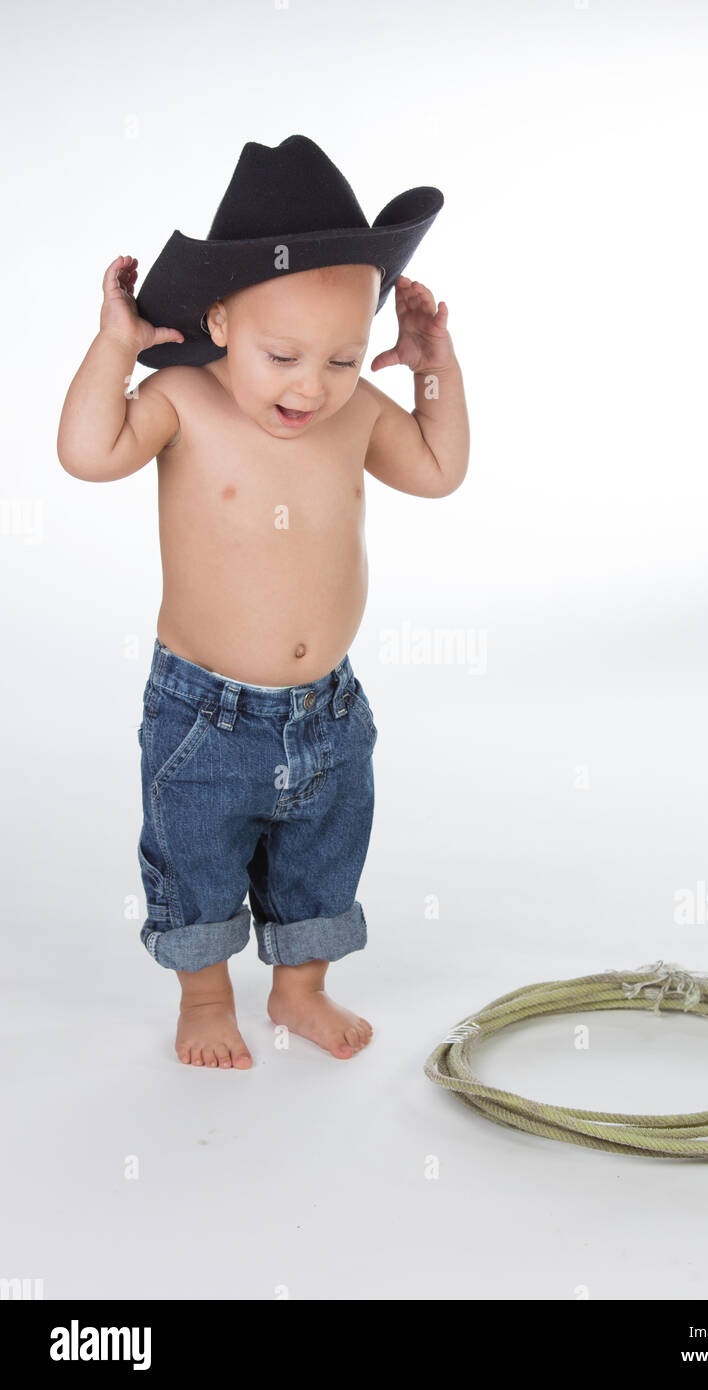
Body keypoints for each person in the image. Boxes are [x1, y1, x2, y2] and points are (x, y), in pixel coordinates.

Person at [56, 136, 469, 1071]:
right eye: (284, 354)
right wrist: (115, 343)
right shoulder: (179, 401)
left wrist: (435, 362)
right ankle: (205, 999)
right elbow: (86, 452)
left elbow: (440, 472)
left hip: (329, 709)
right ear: (220, 320)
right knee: (194, 860)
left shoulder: (359, 409)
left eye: (341, 356)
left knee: (323, 857)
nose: (311, 384)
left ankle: (301, 988)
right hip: (205, 714)